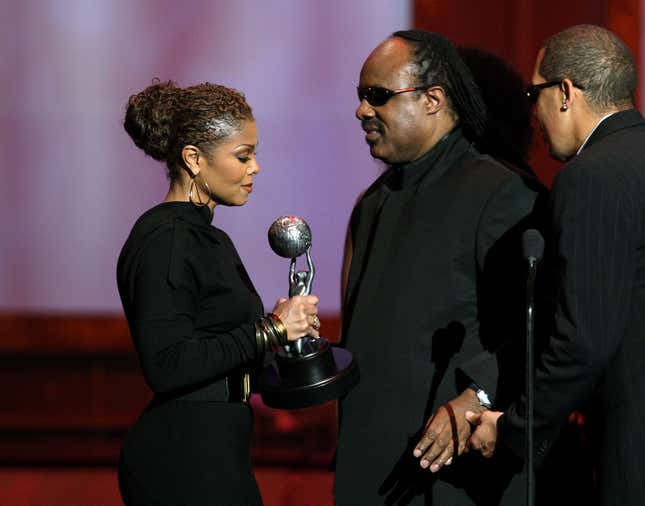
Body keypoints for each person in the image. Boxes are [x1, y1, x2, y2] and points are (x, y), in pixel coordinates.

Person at [334, 30, 540, 505]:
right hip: (370, 470)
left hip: (450, 477)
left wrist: (478, 396)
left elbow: (537, 326)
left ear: (433, 100)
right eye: (361, 96)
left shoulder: (501, 193)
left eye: (378, 96)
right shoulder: (375, 202)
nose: (362, 110)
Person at [116, 80, 320, 506]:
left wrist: (286, 338)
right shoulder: (166, 239)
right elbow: (167, 364)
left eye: (254, 155)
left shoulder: (208, 238)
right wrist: (269, 329)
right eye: (243, 156)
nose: (256, 168)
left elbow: (224, 351)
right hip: (182, 457)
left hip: (216, 448)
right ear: (194, 159)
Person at [467, 24, 645, 505]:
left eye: (534, 93)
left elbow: (584, 339)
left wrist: (514, 429)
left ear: (565, 92)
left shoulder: (591, 178)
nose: (533, 113)